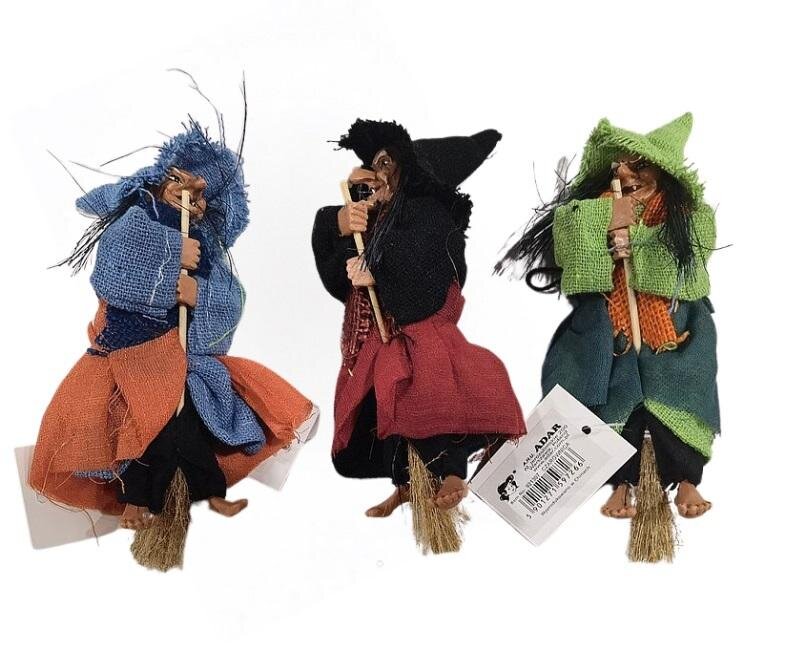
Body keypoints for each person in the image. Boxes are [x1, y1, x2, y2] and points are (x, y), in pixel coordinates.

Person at [497, 113, 718, 519]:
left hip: (674, 334)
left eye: (639, 165)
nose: (625, 172)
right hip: (612, 336)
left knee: (680, 400)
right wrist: (606, 219)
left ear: (664, 173)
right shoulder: (589, 211)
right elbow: (574, 263)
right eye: (619, 165)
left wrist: (636, 241)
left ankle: (687, 479)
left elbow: (690, 269)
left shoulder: (690, 214)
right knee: (618, 406)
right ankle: (622, 484)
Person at [312, 119, 525, 520]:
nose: (376, 172)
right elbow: (338, 271)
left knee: (431, 402)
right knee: (381, 410)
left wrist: (377, 271)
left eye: (385, 163)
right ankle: (407, 484)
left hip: (421, 332)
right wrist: (341, 222)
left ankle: (450, 473)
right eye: (373, 164)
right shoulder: (377, 216)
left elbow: (426, 267)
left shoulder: (427, 214)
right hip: (377, 338)